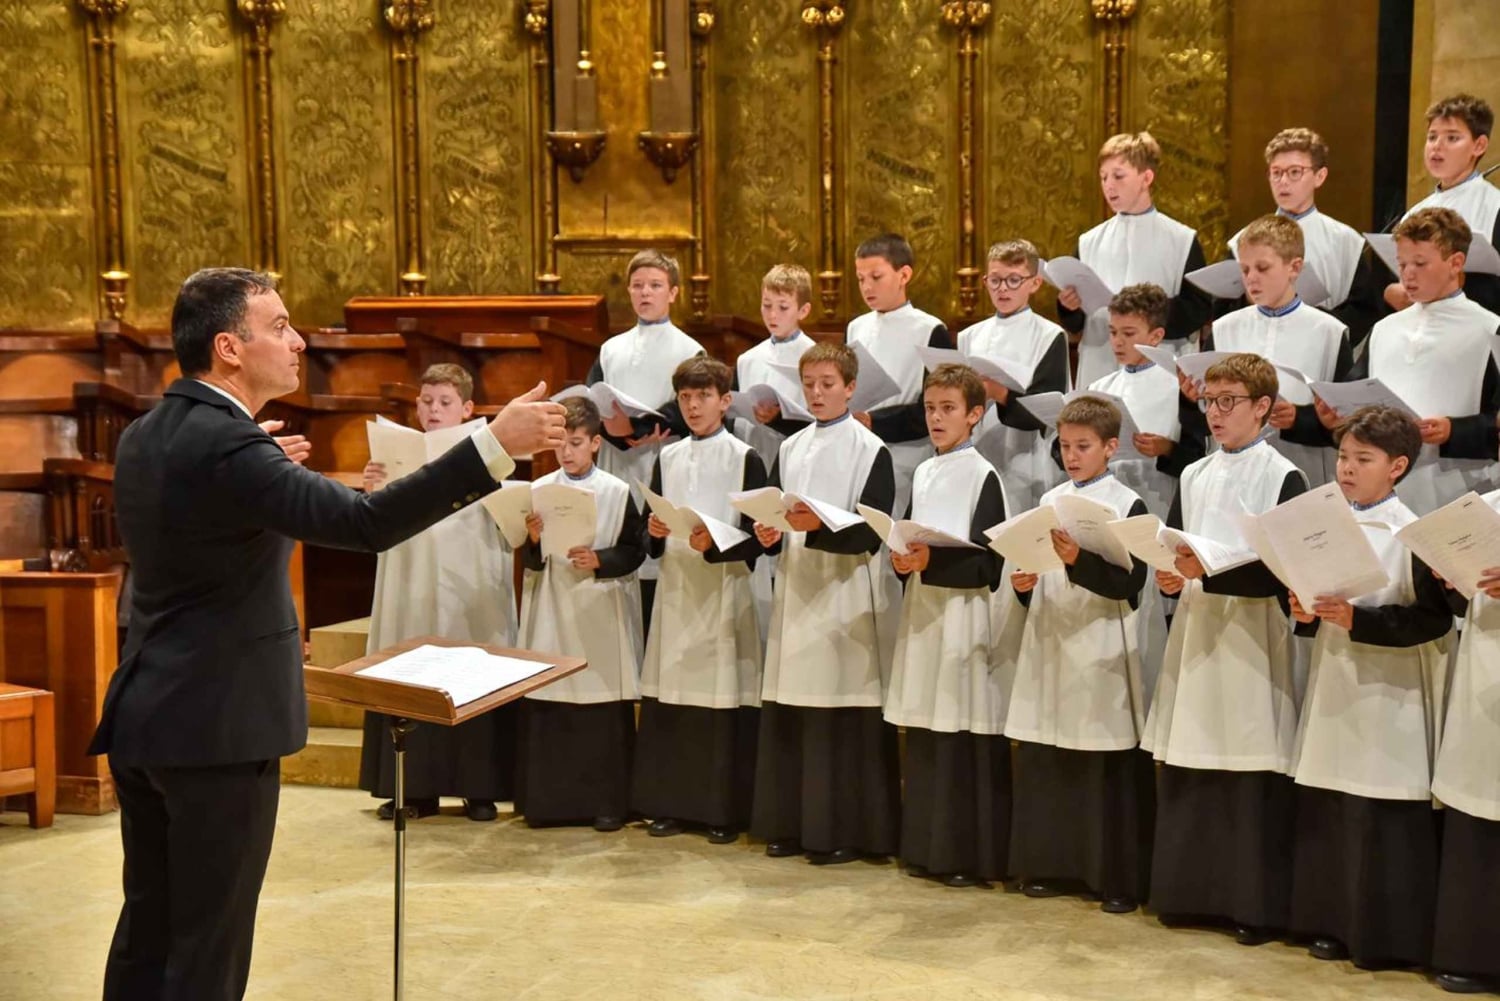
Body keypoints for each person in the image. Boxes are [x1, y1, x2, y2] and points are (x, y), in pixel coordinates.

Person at [87, 267, 566, 1001]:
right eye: (278, 326)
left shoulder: (149, 432)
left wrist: (260, 469)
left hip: (150, 711)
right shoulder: (231, 446)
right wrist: (490, 445)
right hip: (218, 727)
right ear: (228, 347)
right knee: (208, 946)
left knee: (149, 928)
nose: (298, 341)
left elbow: (205, 523)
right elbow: (364, 523)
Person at [1144, 352, 1308, 946]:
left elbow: (1284, 571)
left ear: (1263, 407)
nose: (1214, 413)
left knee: (1247, 758)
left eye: (1228, 401)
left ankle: (1251, 905)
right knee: (1194, 753)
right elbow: (1174, 544)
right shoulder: (1193, 473)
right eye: (1208, 401)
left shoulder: (1284, 475)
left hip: (1252, 633)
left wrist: (1204, 572)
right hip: (1199, 625)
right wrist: (1169, 573)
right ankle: (1188, 894)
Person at [1287, 405, 1451, 969]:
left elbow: (1433, 621)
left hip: (1391, 691)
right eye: (1342, 457)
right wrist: (1305, 612)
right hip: (1336, 678)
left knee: (1382, 811)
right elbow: (1313, 605)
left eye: (1363, 459)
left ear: (1397, 466)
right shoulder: (1327, 525)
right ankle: (1331, 923)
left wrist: (1361, 620)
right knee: (1333, 802)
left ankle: (1388, 937)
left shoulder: (1412, 534)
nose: (1347, 469)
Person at [749, 341, 900, 865]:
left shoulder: (870, 449)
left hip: (845, 594)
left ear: (850, 387)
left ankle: (846, 831)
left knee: (840, 710)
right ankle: (791, 824)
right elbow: (772, 509)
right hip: (796, 588)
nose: (816, 393)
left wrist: (816, 527)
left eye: (827, 384)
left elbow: (875, 531)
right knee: (794, 706)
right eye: (809, 384)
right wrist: (769, 532)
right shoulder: (790, 448)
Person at [1007, 396, 1154, 914]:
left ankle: (1112, 877)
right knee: (1051, 757)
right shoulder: (1050, 498)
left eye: (1083, 447)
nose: (1071, 456)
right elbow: (1033, 563)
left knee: (1101, 760)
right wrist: (1024, 584)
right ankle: (1052, 867)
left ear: (1111, 447)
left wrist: (1077, 561)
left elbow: (1132, 584)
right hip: (1053, 636)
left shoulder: (1127, 505)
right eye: (1066, 446)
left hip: (1100, 641)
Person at [358, 363, 517, 823]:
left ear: (467, 409)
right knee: (410, 674)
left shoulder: (485, 452)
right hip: (411, 579)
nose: (433, 410)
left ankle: (478, 789)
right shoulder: (398, 452)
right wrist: (372, 489)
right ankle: (413, 789)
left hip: (466, 582)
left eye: (445, 403)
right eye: (427, 402)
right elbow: (371, 520)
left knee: (469, 671)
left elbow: (509, 518)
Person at [632, 355, 767, 845]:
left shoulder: (744, 457)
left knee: (719, 699)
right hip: (676, 588)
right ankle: (670, 806)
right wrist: (653, 531)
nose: (693, 406)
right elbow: (647, 532)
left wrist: (715, 543)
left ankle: (720, 811)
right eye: (686, 398)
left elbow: (757, 539)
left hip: (723, 591)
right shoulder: (667, 458)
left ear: (725, 400)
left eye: (703, 396)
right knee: (674, 698)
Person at [882, 364, 1008, 887]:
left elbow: (991, 564)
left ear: (975, 415)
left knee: (958, 730)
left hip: (962, 617)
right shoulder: (925, 472)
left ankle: (964, 856)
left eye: (948, 409)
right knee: (926, 730)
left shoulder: (983, 475)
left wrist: (931, 561)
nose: (936, 418)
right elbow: (909, 537)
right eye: (931, 408)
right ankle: (924, 849)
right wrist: (902, 559)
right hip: (924, 613)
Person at [515, 397, 646, 832]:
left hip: (598, 609)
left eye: (575, 443)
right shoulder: (539, 490)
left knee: (600, 706)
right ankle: (547, 805)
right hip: (552, 608)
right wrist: (533, 540)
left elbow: (635, 551)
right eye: (560, 444)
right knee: (551, 700)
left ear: (595, 443)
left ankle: (607, 805)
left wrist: (601, 559)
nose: (566, 452)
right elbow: (529, 561)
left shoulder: (618, 491)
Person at [1338, 207, 1500, 514]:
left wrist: (1453, 430)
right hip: (1380, 492)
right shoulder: (1385, 328)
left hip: (1456, 489)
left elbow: (1496, 422)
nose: (1407, 274)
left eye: (1420, 263)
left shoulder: (1490, 329)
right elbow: (1355, 394)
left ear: (1456, 263)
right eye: (1402, 264)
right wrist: (1335, 411)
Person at [588, 249, 704, 630]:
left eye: (655, 285)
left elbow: (691, 405)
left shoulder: (688, 349)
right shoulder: (610, 349)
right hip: (616, 463)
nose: (645, 293)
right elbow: (593, 398)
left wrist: (636, 431)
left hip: (662, 461)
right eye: (637, 285)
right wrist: (615, 431)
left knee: (658, 555)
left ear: (673, 292)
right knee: (618, 546)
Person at [1210, 214, 1353, 487]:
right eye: (1245, 270)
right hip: (1230, 475)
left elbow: (1346, 423)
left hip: (1303, 470)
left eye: (1262, 268)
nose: (1251, 278)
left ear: (1294, 267)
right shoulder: (1224, 329)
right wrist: (1191, 398)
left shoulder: (1329, 332)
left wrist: (1300, 419)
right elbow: (1198, 415)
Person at [1058, 132, 1209, 388]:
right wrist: (1069, 307)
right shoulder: (1089, 242)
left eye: (1118, 176)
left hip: (1158, 370)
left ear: (1146, 178)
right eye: (1103, 177)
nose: (1109, 185)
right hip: (1101, 366)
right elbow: (1075, 322)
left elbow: (1197, 308)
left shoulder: (1181, 240)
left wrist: (1142, 316)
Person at [1430, 491, 1500, 995]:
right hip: (1485, 666)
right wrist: (1451, 581)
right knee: (1479, 808)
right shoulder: (1484, 507)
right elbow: (1463, 602)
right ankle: (1474, 954)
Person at [1226, 128, 1383, 353]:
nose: (1283, 181)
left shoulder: (1345, 241)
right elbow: (1225, 310)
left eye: (1294, 172)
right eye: (1276, 172)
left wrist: (1314, 324)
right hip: (1256, 350)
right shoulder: (1243, 241)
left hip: (1318, 350)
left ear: (1320, 176)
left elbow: (1364, 312)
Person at [955, 238, 1072, 512]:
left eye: (1014, 280)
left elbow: (1047, 408)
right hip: (977, 450)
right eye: (995, 280)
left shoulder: (1049, 335)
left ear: (1035, 283)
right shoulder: (969, 336)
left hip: (1027, 458)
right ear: (985, 281)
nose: (1003, 288)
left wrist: (999, 393)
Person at [844, 232, 950, 519]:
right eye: (860, 278)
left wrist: (875, 421)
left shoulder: (930, 330)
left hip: (908, 456)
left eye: (876, 277)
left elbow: (937, 406)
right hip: (859, 450)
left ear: (904, 275)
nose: (867, 287)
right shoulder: (856, 328)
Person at [1086, 283, 1200, 519]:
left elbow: (1199, 458)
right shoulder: (1099, 388)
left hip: (1160, 501)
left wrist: (1167, 449)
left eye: (1128, 334)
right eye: (1113, 332)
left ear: (1156, 336)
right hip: (1108, 503)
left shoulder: (1180, 386)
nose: (1117, 342)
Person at [1390, 94, 1500, 315]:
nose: (1437, 146)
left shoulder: (1494, 206)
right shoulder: (1415, 212)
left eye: (1452, 138)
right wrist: (1394, 290)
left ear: (1479, 145)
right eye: (1432, 137)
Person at [733, 263, 817, 467]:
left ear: (803, 310)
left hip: (794, 459)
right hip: (749, 456)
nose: (772, 315)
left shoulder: (814, 357)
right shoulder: (747, 359)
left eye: (783, 307)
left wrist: (778, 417)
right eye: (767, 305)